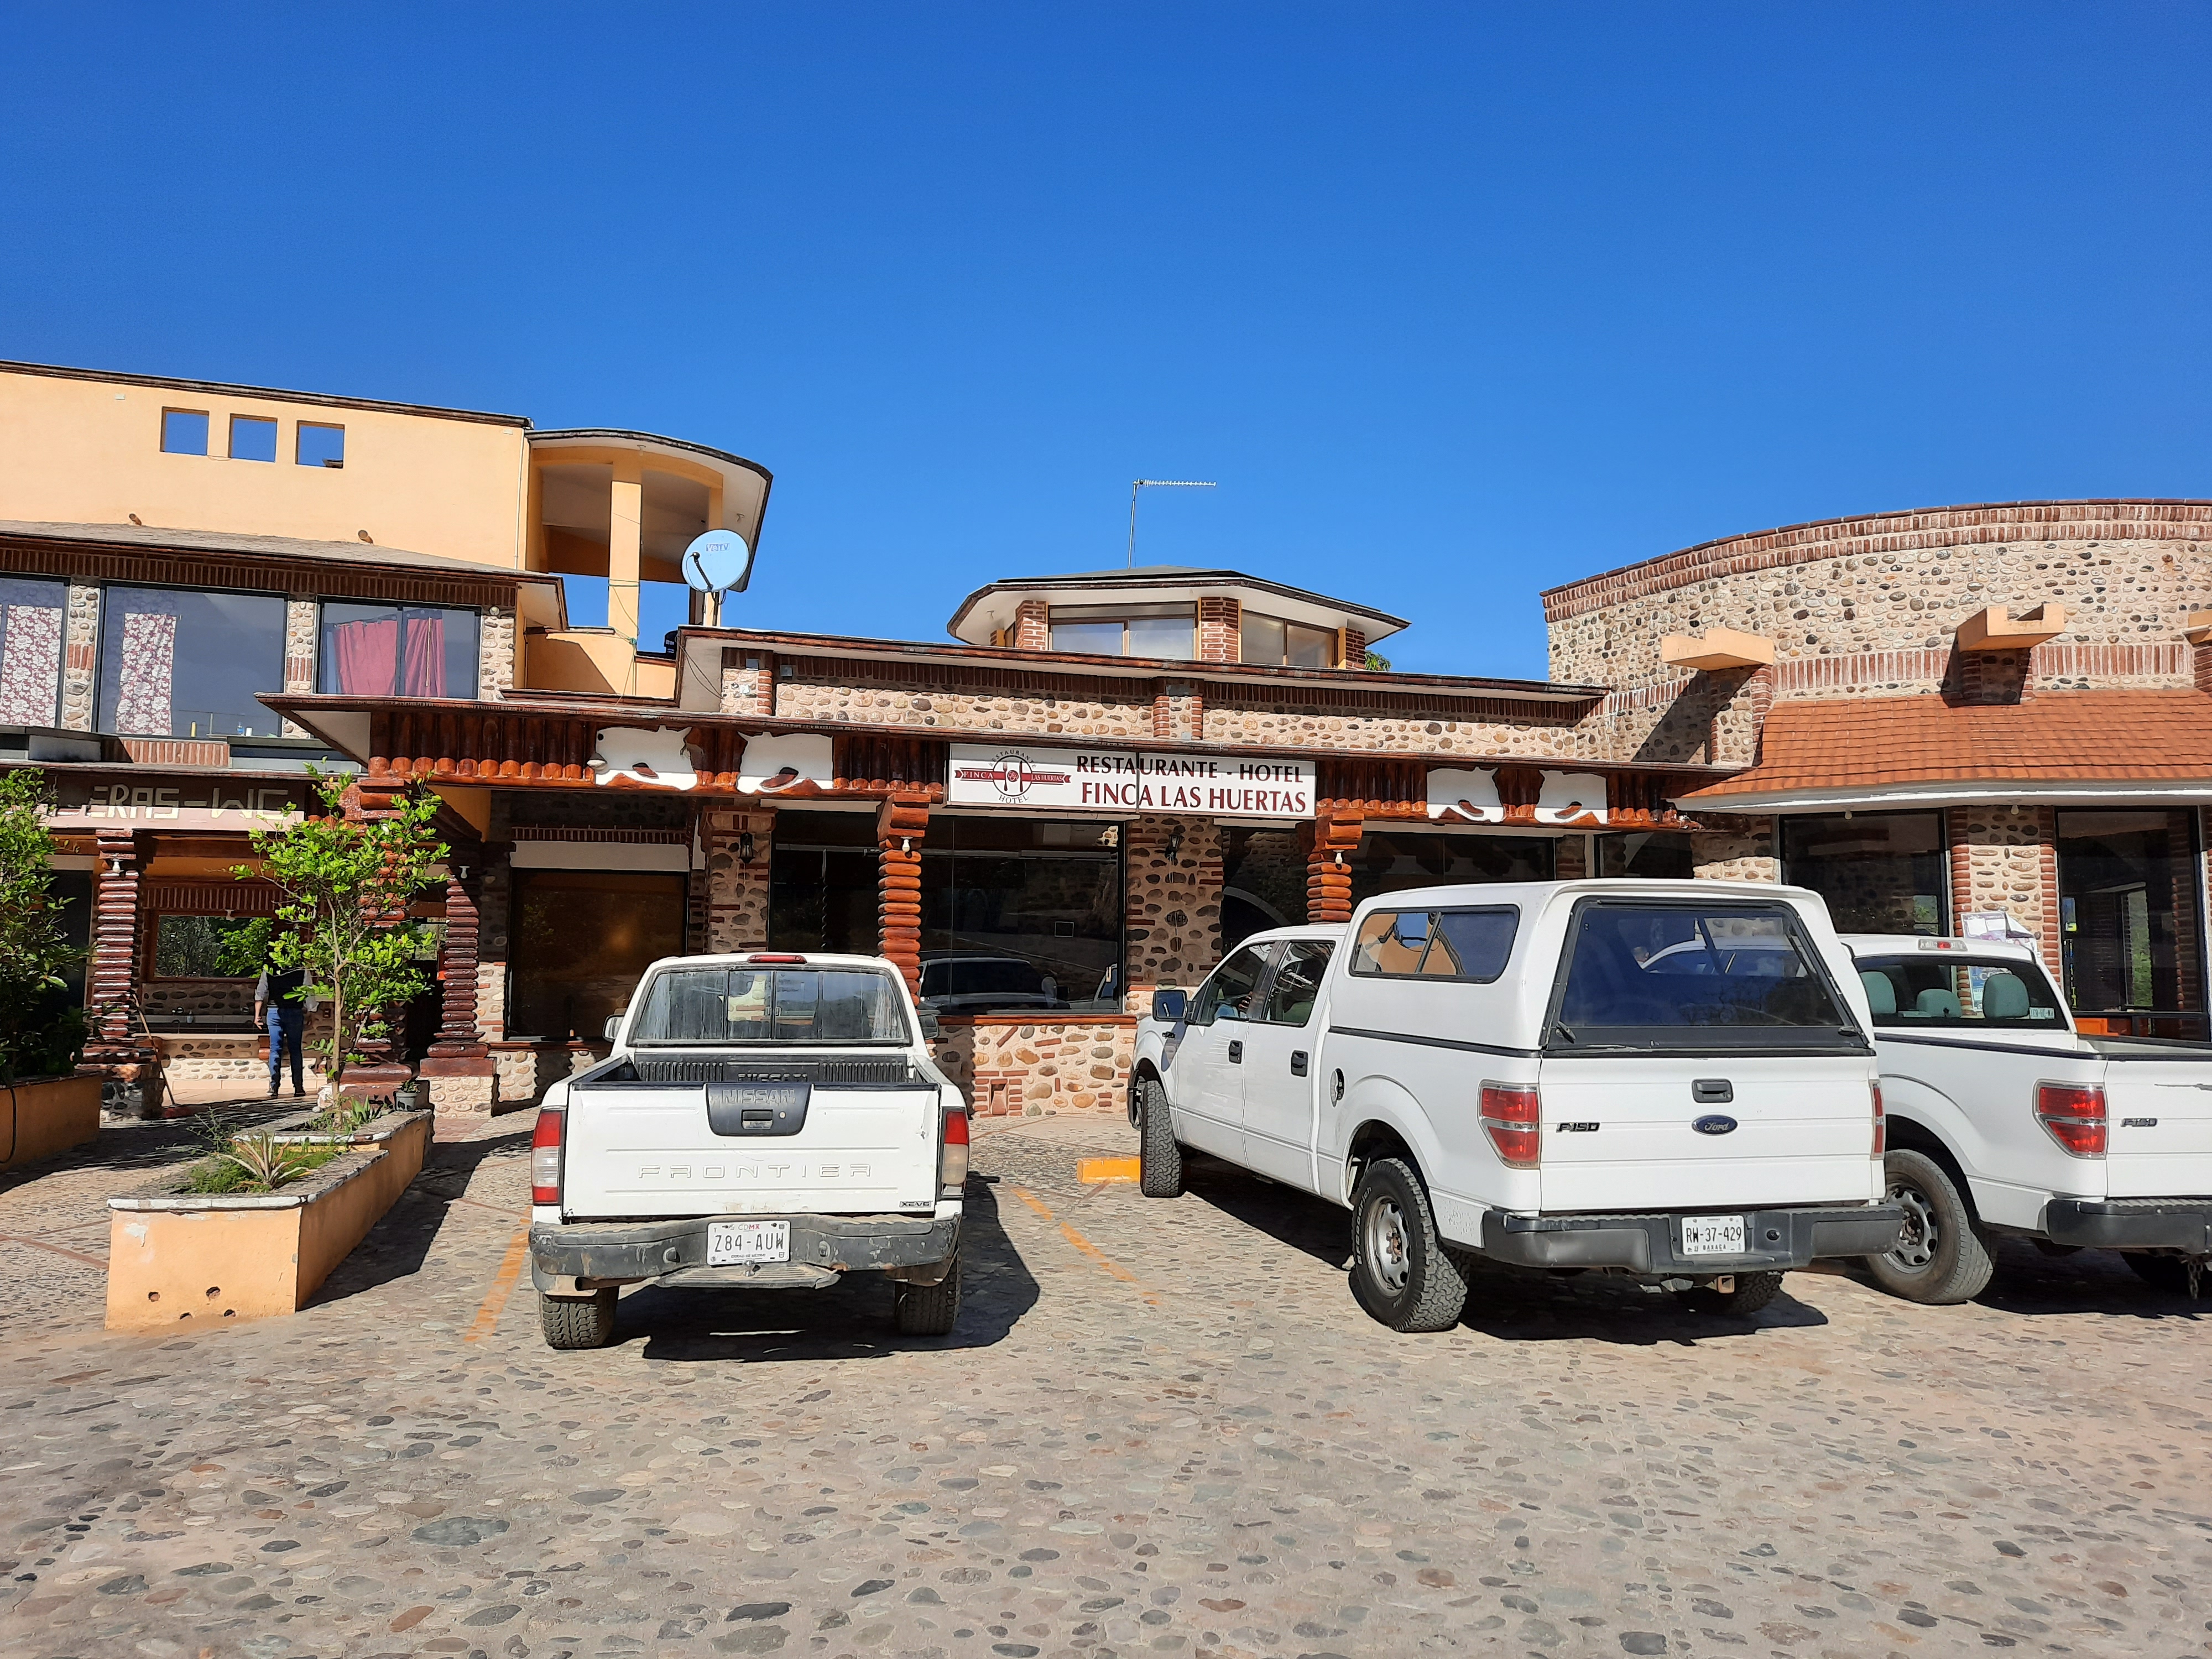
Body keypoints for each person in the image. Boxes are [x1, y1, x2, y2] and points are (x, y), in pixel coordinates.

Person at [254, 952, 307, 1099]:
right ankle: (298, 1087)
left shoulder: (269, 969)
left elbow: (261, 991)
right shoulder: (301, 969)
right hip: (295, 1010)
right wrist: (311, 1009)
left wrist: (257, 1015)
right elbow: (308, 991)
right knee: (295, 1050)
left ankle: (274, 1087)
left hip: (274, 1011)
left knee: (275, 1050)